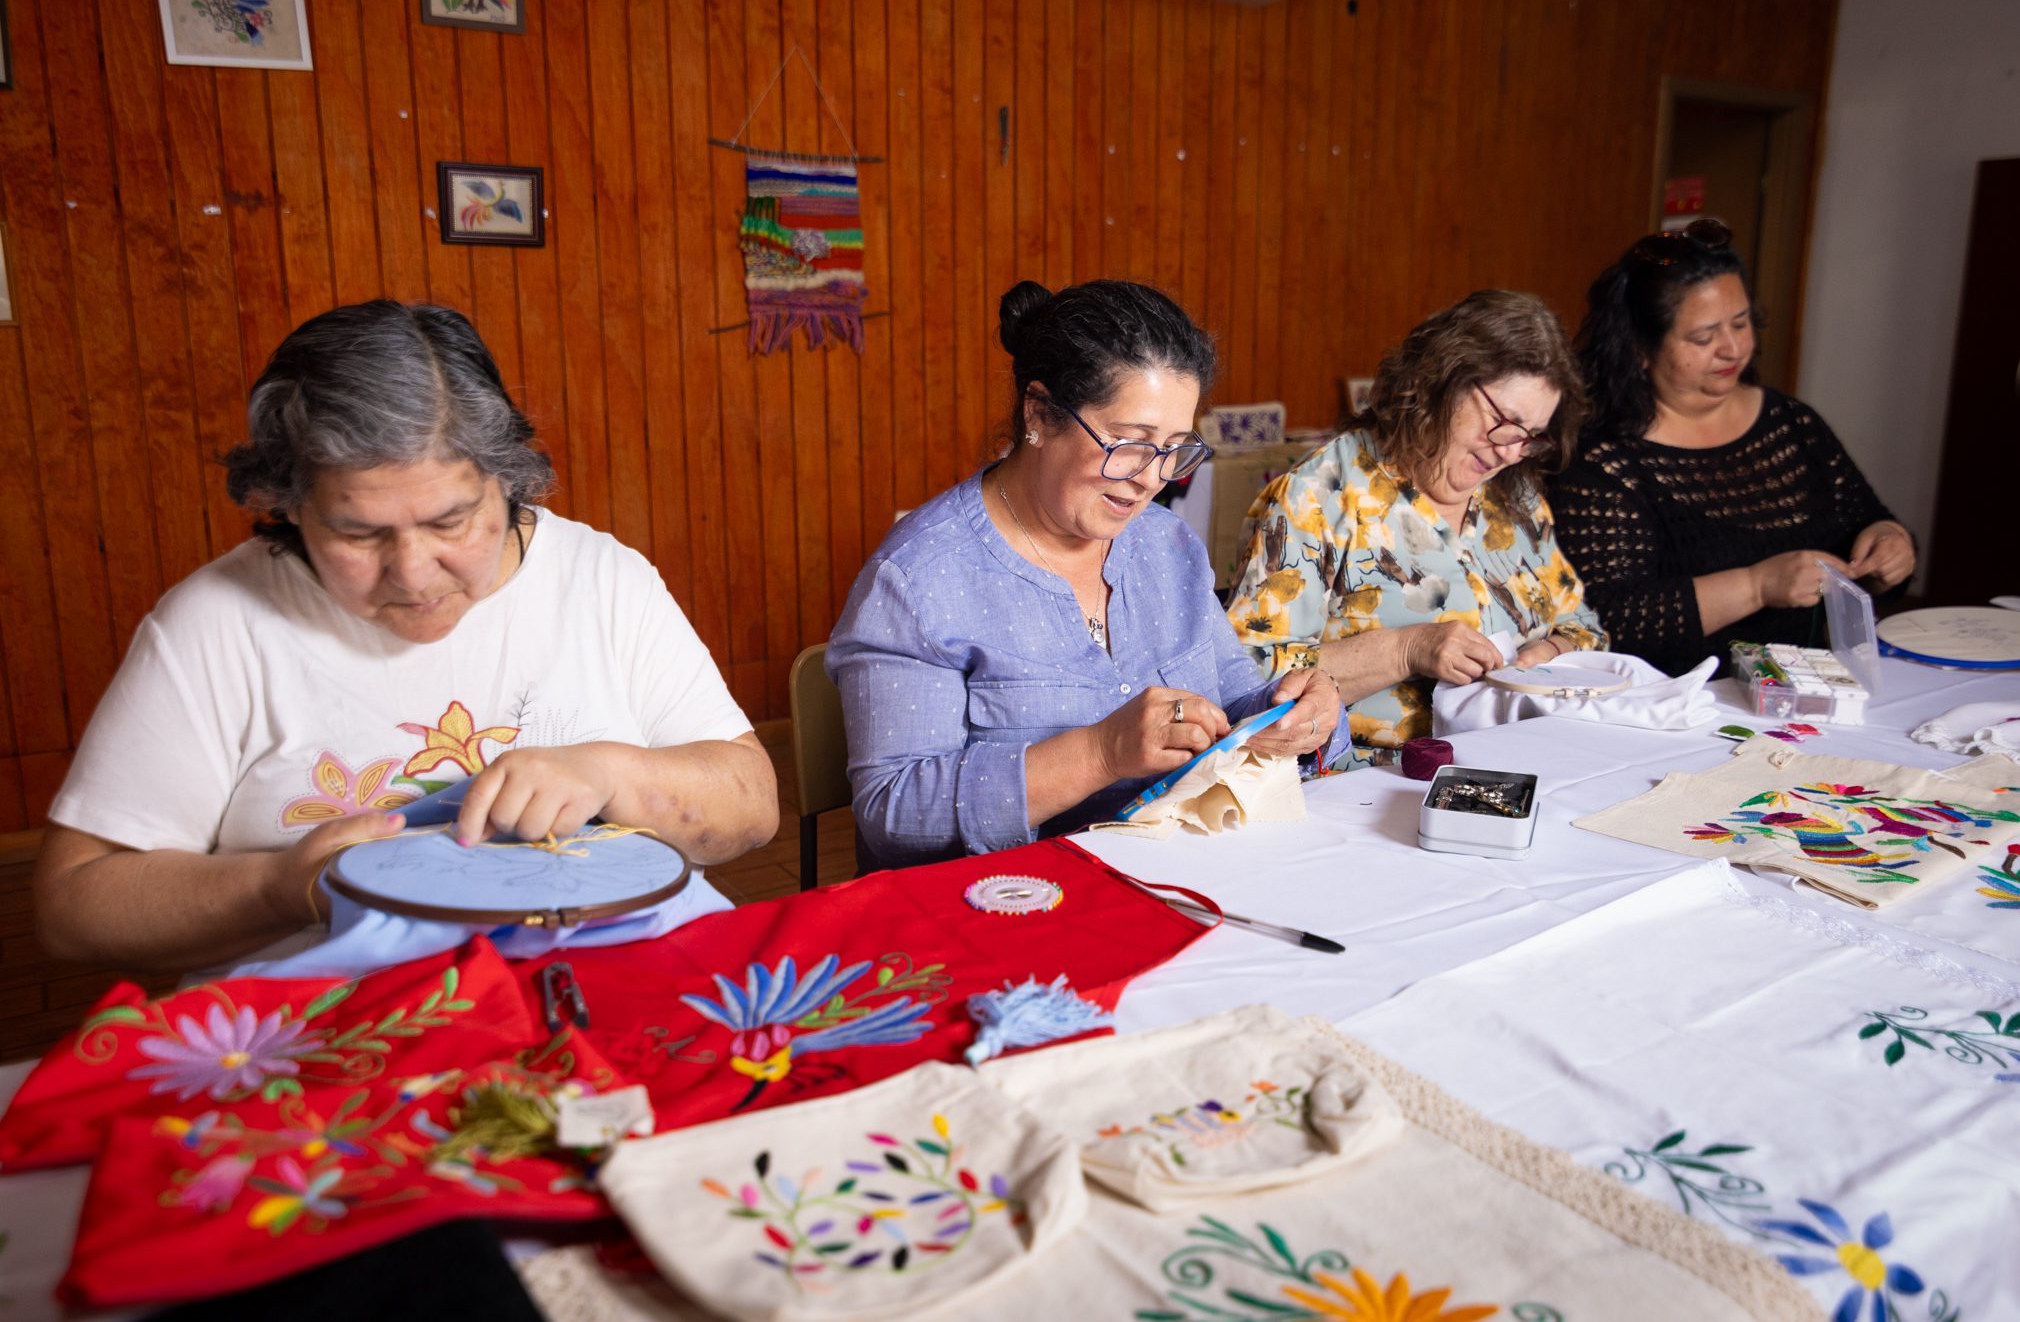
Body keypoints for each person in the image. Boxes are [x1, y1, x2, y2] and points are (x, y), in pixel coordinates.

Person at [34, 301, 779, 974]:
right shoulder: (217, 622)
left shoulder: (599, 578)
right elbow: (72, 905)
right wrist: (278, 887)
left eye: (450, 521)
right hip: (334, 1034)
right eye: (358, 532)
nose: (414, 574)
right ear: (291, 504)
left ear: (506, 478)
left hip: (606, 1002)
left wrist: (612, 773)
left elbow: (750, 805)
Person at [828, 279, 1343, 870]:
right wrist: (1100, 752)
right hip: (1004, 899)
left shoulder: (1166, 545)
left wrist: (1290, 714)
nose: (1151, 479)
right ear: (1039, 414)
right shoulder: (920, 579)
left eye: (1174, 448)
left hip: (1176, 872)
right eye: (1128, 442)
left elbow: (1231, 702)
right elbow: (893, 814)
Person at [1226, 290, 1606, 768]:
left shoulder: (1517, 497)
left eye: (1530, 436)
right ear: (1442, 382)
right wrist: (1407, 649)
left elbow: (1586, 629)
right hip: (1366, 782)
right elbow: (1245, 678)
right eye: (1504, 422)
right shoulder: (1320, 495)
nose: (1512, 451)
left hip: (1516, 762)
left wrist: (1546, 654)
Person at [1550, 220, 1915, 674]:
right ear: (1640, 348)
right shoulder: (1602, 460)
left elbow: (1865, 529)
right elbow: (1607, 620)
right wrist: (1756, 586)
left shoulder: (1791, 423)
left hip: (1804, 687)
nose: (1732, 349)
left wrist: (1889, 546)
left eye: (1741, 324)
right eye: (1703, 338)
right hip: (1674, 698)